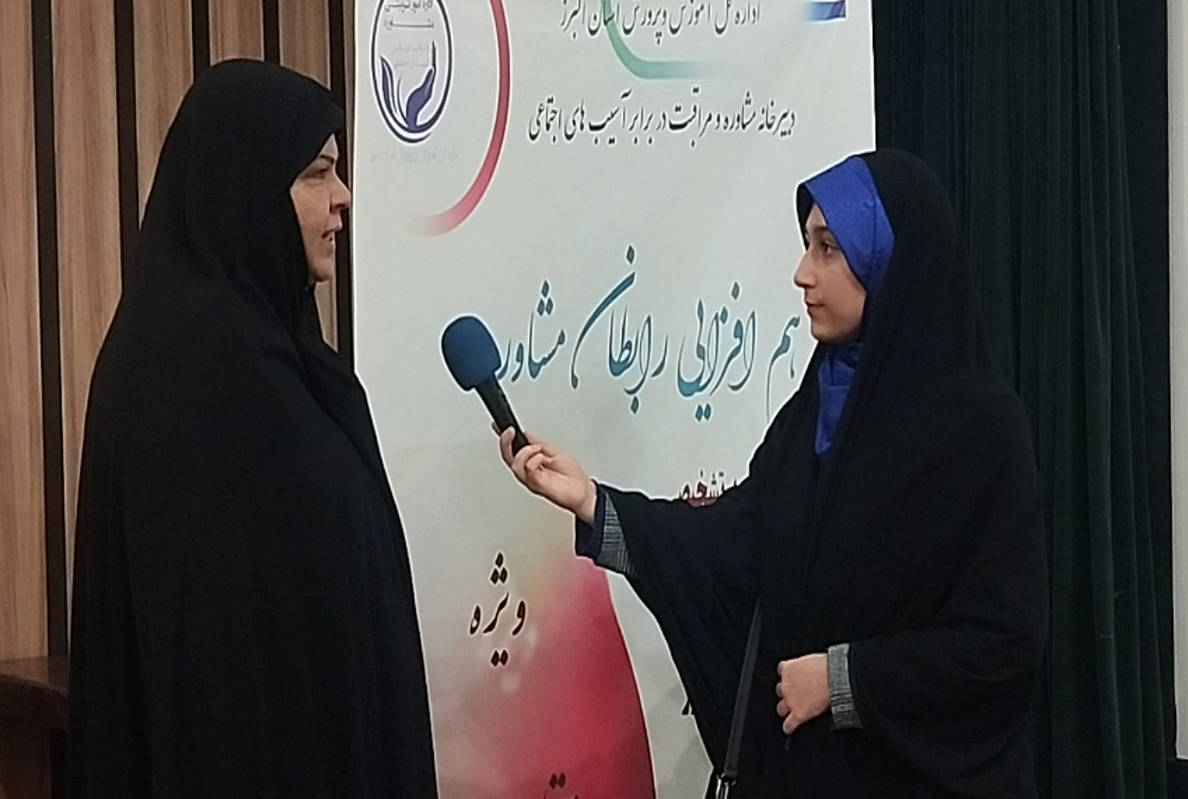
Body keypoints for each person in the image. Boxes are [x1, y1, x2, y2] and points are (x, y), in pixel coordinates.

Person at [498, 149, 1048, 797]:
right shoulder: (815, 413)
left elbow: (1003, 642)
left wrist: (844, 680)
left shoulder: (979, 433)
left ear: (891, 264)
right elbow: (737, 543)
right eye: (807, 245)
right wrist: (593, 501)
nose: (802, 273)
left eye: (828, 249)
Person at [69, 60, 438, 797]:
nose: (343, 196)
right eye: (317, 173)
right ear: (247, 188)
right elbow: (223, 652)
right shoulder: (196, 372)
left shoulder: (273, 350)